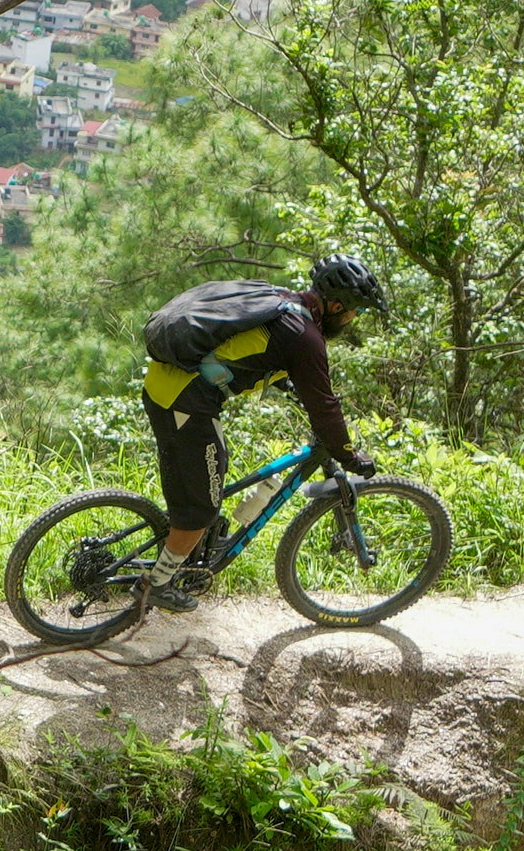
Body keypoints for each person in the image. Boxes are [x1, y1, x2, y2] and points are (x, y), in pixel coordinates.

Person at [135, 251, 392, 609]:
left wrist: (286, 381)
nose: (353, 318)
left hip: (166, 386)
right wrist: (347, 454)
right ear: (336, 306)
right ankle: (157, 583)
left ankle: (181, 541)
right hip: (183, 401)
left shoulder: (281, 301)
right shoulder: (305, 337)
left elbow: (248, 349)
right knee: (203, 508)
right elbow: (326, 407)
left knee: (205, 476)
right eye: (355, 310)